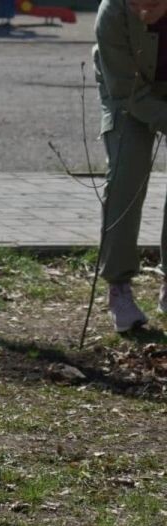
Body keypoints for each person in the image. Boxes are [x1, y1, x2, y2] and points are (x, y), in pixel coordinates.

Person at [94, 0, 167, 332]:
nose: (143, 9)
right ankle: (119, 287)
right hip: (125, 91)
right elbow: (126, 92)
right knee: (126, 176)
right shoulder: (111, 14)